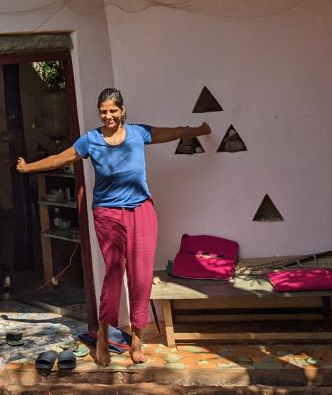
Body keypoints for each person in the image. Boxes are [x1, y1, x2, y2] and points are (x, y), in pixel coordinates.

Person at [16, 87, 210, 366]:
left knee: (141, 276)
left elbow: (172, 132)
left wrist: (198, 129)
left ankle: (138, 340)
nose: (108, 116)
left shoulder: (138, 133)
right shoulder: (90, 140)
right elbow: (61, 157)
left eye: (113, 111)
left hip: (142, 211)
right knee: (114, 273)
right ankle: (104, 337)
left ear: (123, 111)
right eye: (103, 111)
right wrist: (29, 167)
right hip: (107, 213)